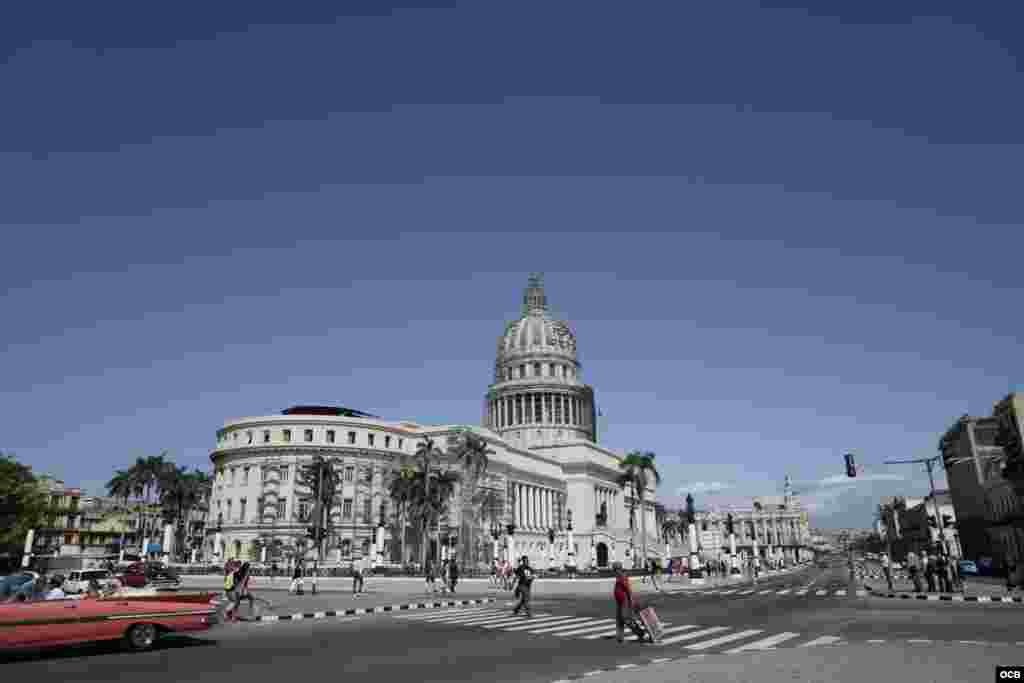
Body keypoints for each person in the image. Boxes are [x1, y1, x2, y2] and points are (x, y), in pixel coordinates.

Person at [612, 562, 633, 644]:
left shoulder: (622, 576)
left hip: (623, 600)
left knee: (623, 618)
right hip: (619, 600)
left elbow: (627, 588)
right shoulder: (619, 576)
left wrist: (630, 599)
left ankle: (638, 632)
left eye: (615, 569)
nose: (614, 571)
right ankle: (620, 637)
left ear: (618, 569)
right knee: (619, 618)